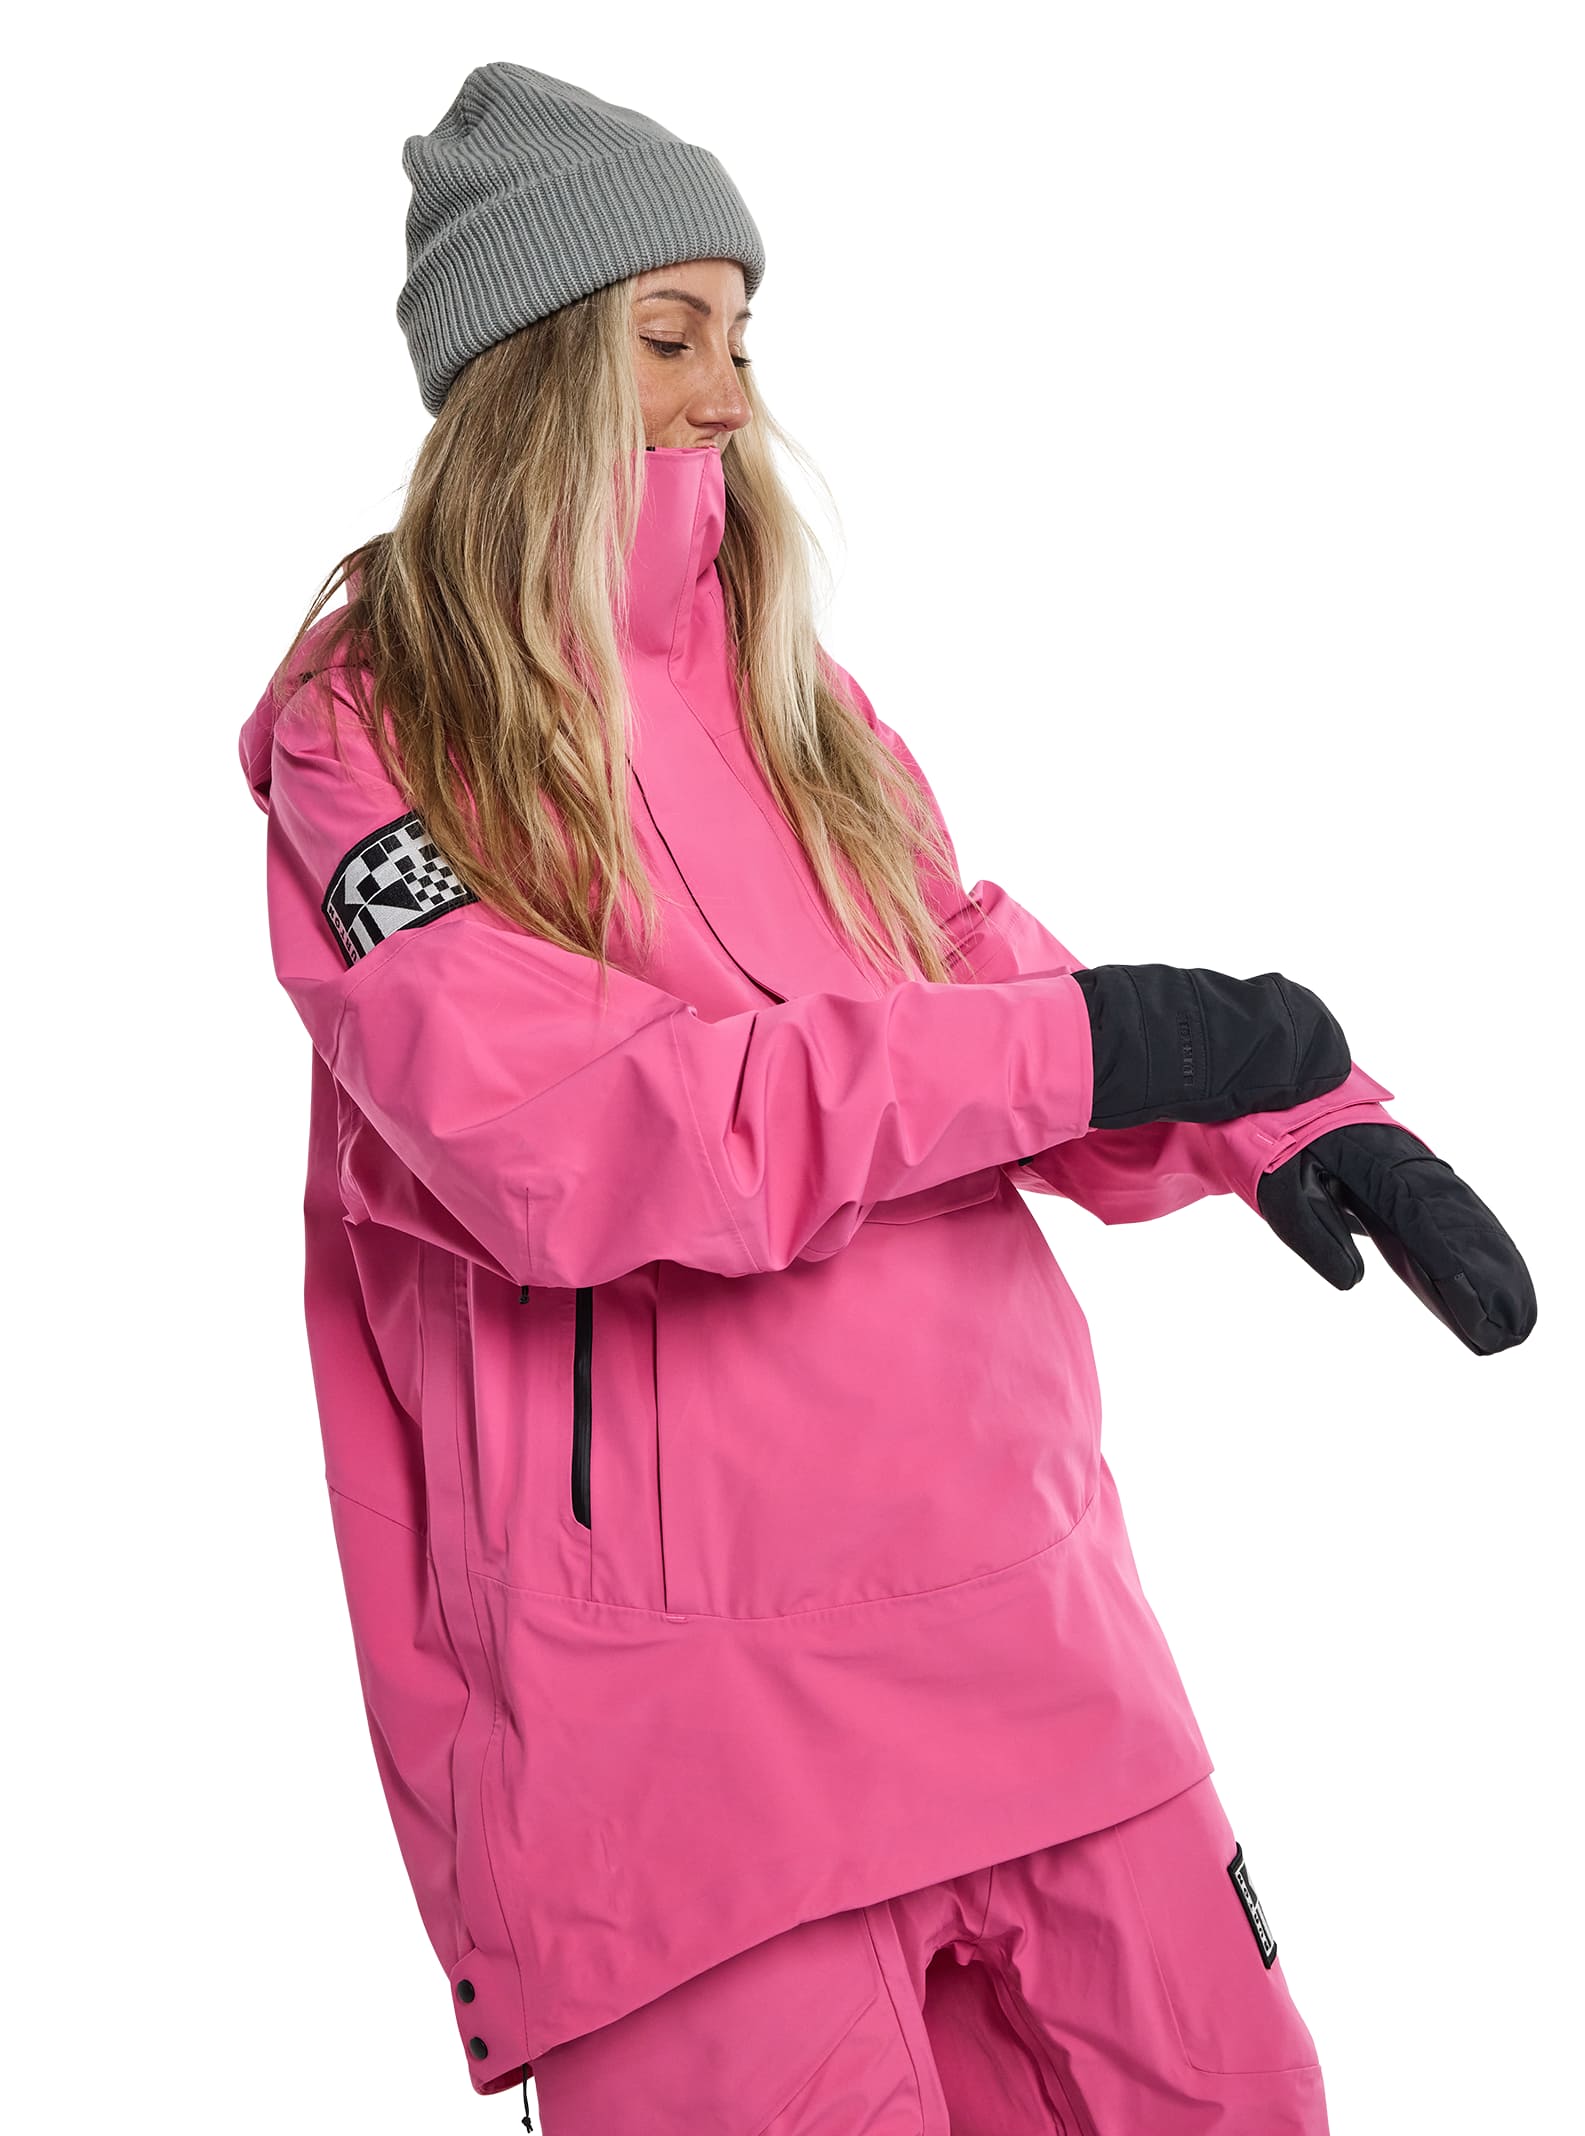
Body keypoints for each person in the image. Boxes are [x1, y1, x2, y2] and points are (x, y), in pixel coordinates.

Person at [238, 61, 1536, 2135]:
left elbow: (964, 977)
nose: (726, 397)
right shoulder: (372, 734)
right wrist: (1112, 1044)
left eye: (740, 341)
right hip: (681, 1754)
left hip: (1029, 1631)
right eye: (668, 337)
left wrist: (1287, 1110)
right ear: (529, 367)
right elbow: (572, 1143)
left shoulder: (784, 691)